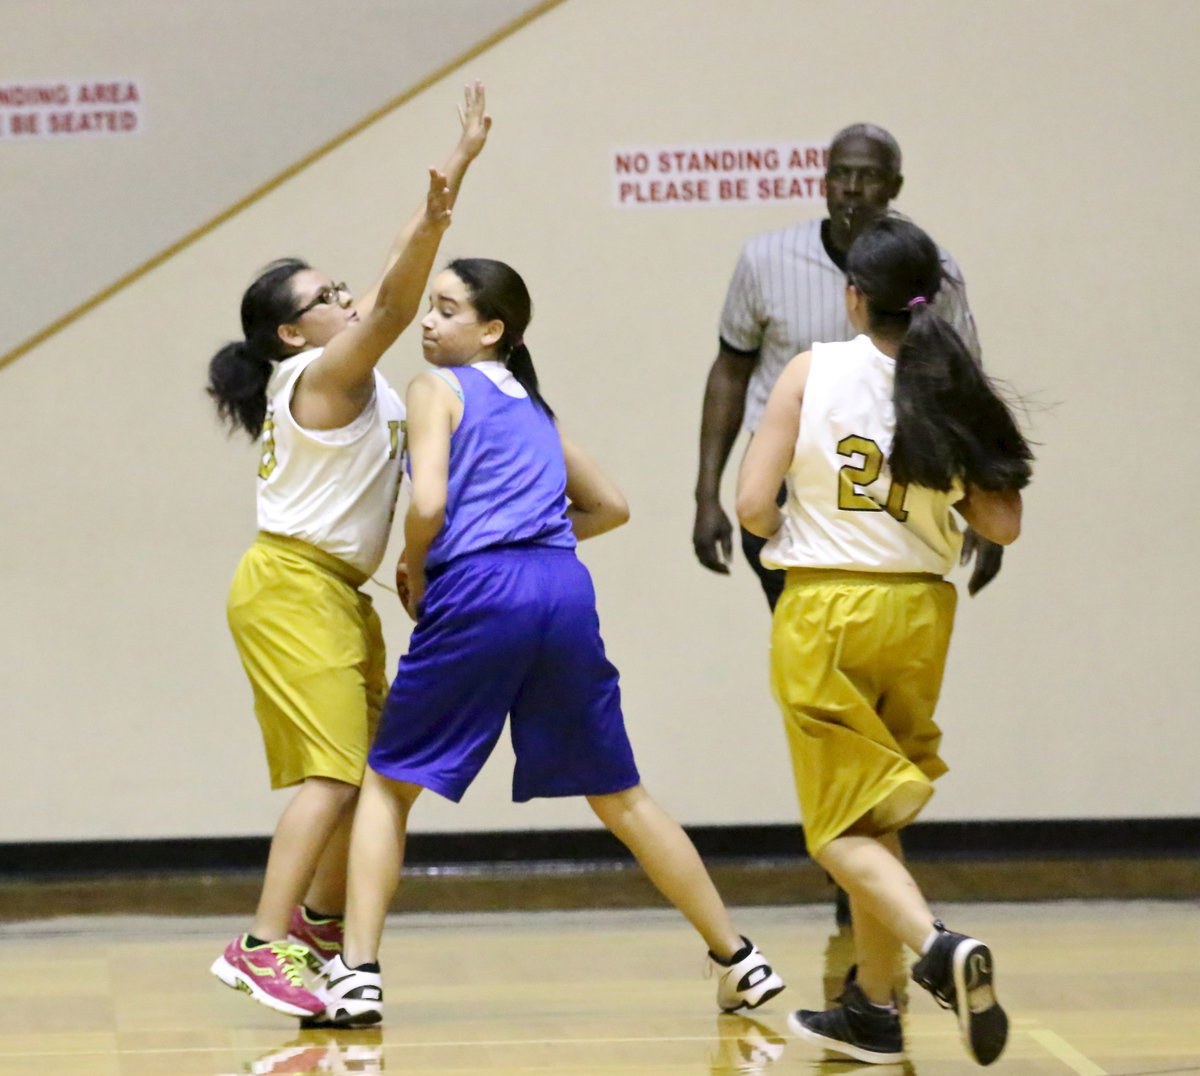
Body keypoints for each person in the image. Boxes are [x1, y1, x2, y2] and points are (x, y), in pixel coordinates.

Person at [315, 257, 786, 1028]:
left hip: (480, 588)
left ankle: (358, 973)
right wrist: (535, 538)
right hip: (563, 589)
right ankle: (738, 957)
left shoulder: (438, 388)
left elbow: (428, 496)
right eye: (428, 310)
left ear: (492, 330)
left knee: (388, 782)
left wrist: (413, 559)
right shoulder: (533, 408)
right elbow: (613, 507)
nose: (428, 323)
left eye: (446, 309)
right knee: (621, 795)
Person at [204, 83, 491, 1020]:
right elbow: (396, 306)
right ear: (292, 333)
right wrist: (442, 195)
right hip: (292, 584)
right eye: (324, 299)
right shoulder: (316, 373)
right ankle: (262, 943)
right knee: (333, 776)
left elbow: (385, 296)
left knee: (376, 774)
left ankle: (323, 928)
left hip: (335, 589)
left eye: (340, 289)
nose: (345, 300)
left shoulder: (350, 367)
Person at [735, 216, 1032, 1066]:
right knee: (872, 811)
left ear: (853, 297)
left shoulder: (811, 369)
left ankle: (937, 951)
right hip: (921, 616)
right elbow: (1002, 523)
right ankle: (871, 1007)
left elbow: (752, 506)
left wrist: (797, 527)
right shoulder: (952, 383)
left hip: (828, 607)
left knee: (835, 830)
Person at [694, 122, 1000, 610]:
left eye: (869, 176)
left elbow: (965, 387)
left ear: (895, 187)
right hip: (786, 475)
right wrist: (705, 495)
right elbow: (730, 372)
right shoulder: (765, 259)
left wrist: (989, 501)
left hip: (895, 477)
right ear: (824, 181)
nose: (852, 188)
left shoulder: (932, 269)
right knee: (810, 638)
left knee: (876, 636)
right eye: (841, 174)